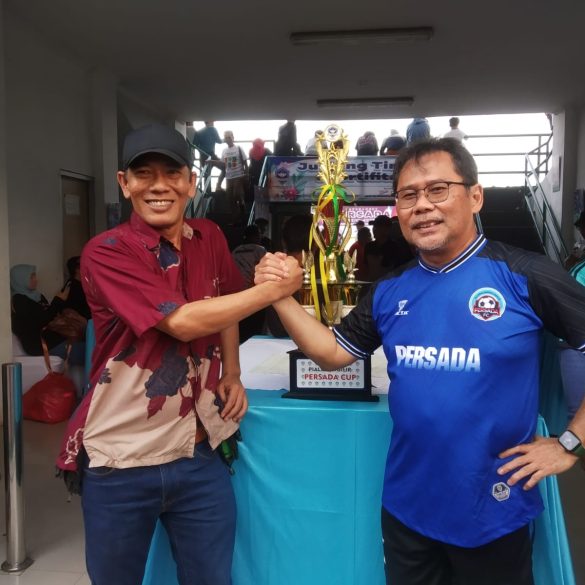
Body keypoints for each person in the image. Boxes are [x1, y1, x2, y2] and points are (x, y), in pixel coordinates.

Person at [254, 137, 585, 585]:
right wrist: (279, 297)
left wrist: (569, 443)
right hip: (407, 509)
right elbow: (332, 353)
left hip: (493, 509)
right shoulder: (390, 290)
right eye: (408, 195)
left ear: (475, 196)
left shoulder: (524, 274)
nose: (422, 206)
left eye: (438, 189)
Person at [55, 124, 292, 585]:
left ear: (191, 182)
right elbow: (181, 322)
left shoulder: (209, 236)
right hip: (122, 459)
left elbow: (224, 303)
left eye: (172, 173)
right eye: (143, 174)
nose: (159, 186)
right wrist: (272, 290)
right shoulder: (106, 252)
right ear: (124, 183)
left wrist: (232, 372)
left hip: (198, 454)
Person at [10, 263, 86, 364]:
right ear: (21, 279)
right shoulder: (19, 300)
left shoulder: (37, 296)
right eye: (31, 277)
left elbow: (50, 315)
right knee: (88, 353)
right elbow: (44, 319)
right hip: (39, 344)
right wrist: (58, 300)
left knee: (89, 344)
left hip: (53, 337)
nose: (36, 280)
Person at [364, 215, 413, 281]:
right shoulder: (369, 246)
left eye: (377, 227)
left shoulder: (394, 247)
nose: (374, 229)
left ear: (387, 229)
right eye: (375, 227)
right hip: (372, 283)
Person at [221, 130, 248, 218]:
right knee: (229, 198)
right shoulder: (224, 151)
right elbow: (222, 164)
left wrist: (246, 174)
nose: (228, 139)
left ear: (233, 138)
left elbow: (245, 162)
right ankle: (235, 218)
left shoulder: (238, 148)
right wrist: (211, 162)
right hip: (229, 177)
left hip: (238, 175)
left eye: (229, 137)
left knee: (236, 194)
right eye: (226, 138)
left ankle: (242, 205)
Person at [193, 121, 224, 191]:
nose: (213, 122)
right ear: (210, 121)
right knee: (224, 168)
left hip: (203, 156)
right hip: (211, 155)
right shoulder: (212, 129)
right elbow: (219, 141)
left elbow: (194, 145)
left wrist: (201, 151)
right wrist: (225, 139)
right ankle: (218, 186)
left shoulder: (198, 132)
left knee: (207, 175)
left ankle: (207, 193)